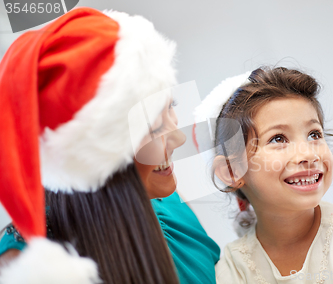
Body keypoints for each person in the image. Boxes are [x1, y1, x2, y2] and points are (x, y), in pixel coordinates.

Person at [0, 7, 218, 284]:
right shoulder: (29, 270)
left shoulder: (169, 205)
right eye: (153, 127)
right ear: (93, 160)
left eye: (171, 106)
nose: (179, 138)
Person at [195, 67, 333, 283]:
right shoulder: (232, 269)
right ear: (231, 171)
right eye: (278, 139)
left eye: (314, 134)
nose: (308, 154)